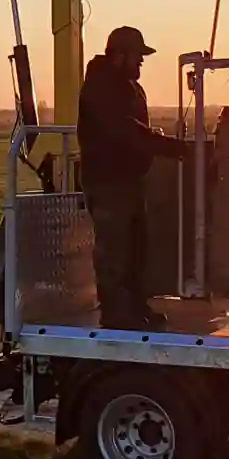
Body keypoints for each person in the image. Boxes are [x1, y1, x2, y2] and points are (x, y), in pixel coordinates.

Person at [78, 24, 189, 332]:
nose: (141, 62)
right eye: (137, 56)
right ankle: (114, 314)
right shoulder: (101, 87)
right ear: (119, 55)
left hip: (127, 180)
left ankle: (136, 307)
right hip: (108, 182)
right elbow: (128, 132)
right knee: (115, 249)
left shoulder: (125, 85)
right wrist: (175, 148)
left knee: (136, 248)